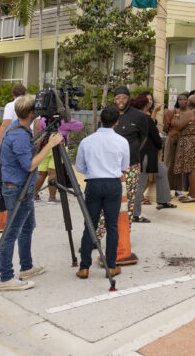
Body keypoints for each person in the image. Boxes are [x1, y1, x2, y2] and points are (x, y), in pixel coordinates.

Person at [0, 94, 63, 291]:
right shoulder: (18, 134)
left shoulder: (19, 127)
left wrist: (42, 138)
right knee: (12, 232)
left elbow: (27, 150)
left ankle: (26, 266)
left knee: (27, 227)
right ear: (32, 113)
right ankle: (6, 278)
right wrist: (50, 145)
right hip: (17, 188)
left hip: (20, 188)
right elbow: (30, 165)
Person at [74, 106, 130, 279]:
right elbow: (124, 167)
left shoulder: (87, 141)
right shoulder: (122, 141)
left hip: (93, 183)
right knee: (112, 226)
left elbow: (80, 166)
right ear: (116, 122)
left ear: (100, 119)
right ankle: (111, 266)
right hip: (113, 184)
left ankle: (84, 267)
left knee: (90, 225)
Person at [111, 87, 146, 227]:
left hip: (131, 165)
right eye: (118, 98)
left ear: (128, 99)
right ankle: (99, 234)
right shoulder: (109, 113)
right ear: (114, 99)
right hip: (110, 165)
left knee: (129, 199)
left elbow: (143, 139)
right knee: (109, 199)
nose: (121, 101)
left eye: (124, 98)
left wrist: (132, 151)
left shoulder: (139, 116)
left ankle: (124, 233)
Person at [171, 93, 195, 202]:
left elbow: (177, 126)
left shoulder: (190, 113)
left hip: (189, 141)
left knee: (191, 169)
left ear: (189, 103)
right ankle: (191, 192)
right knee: (193, 167)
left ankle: (193, 195)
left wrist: (176, 115)